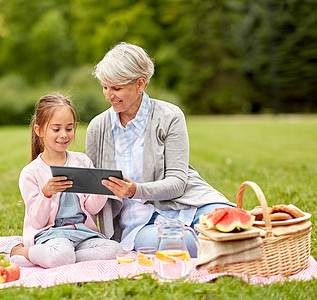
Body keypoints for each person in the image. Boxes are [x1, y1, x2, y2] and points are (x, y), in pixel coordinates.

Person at [86, 42, 234, 257]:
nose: (109, 96)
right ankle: (238, 249)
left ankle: (244, 243)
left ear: (140, 84)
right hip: (138, 222)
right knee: (188, 243)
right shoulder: (97, 128)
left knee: (234, 227)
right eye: (105, 87)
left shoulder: (170, 116)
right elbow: (94, 187)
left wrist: (136, 190)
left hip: (188, 204)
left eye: (116, 88)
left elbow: (177, 182)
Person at [0, 93, 122, 268]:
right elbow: (38, 222)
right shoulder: (31, 172)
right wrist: (46, 194)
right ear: (39, 130)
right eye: (56, 129)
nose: (64, 135)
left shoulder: (82, 161)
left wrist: (102, 190)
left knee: (114, 249)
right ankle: (20, 252)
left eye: (69, 129)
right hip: (51, 235)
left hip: (81, 232)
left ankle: (56, 258)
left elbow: (92, 209)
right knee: (61, 253)